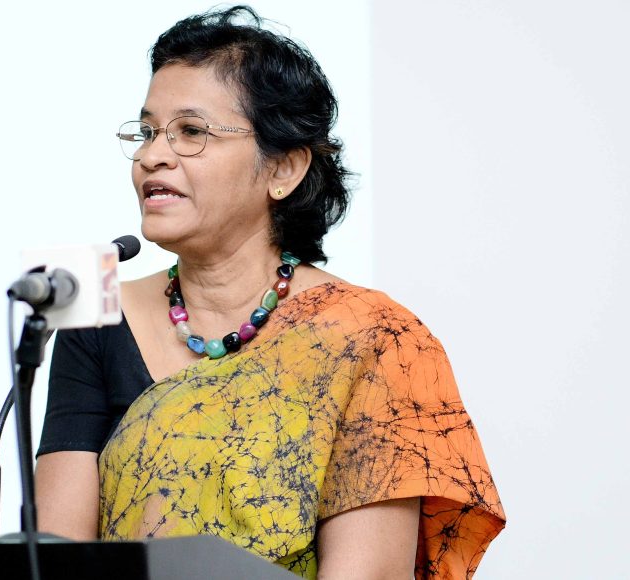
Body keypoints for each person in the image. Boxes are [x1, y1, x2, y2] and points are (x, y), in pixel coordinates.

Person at [34, 6, 505, 579]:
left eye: (191, 132)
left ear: (283, 168)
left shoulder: (371, 339)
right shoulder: (98, 316)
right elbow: (57, 560)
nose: (152, 155)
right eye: (148, 131)